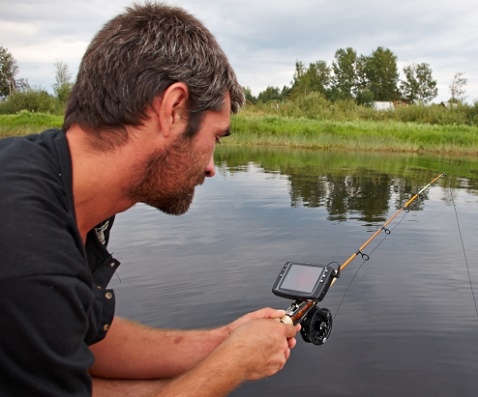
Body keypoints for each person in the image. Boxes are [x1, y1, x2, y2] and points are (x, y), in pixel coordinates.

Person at [0, 2, 300, 396]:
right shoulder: (30, 253)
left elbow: (81, 341)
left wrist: (222, 340)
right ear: (173, 110)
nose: (211, 167)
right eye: (215, 137)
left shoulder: (44, 174)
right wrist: (232, 364)